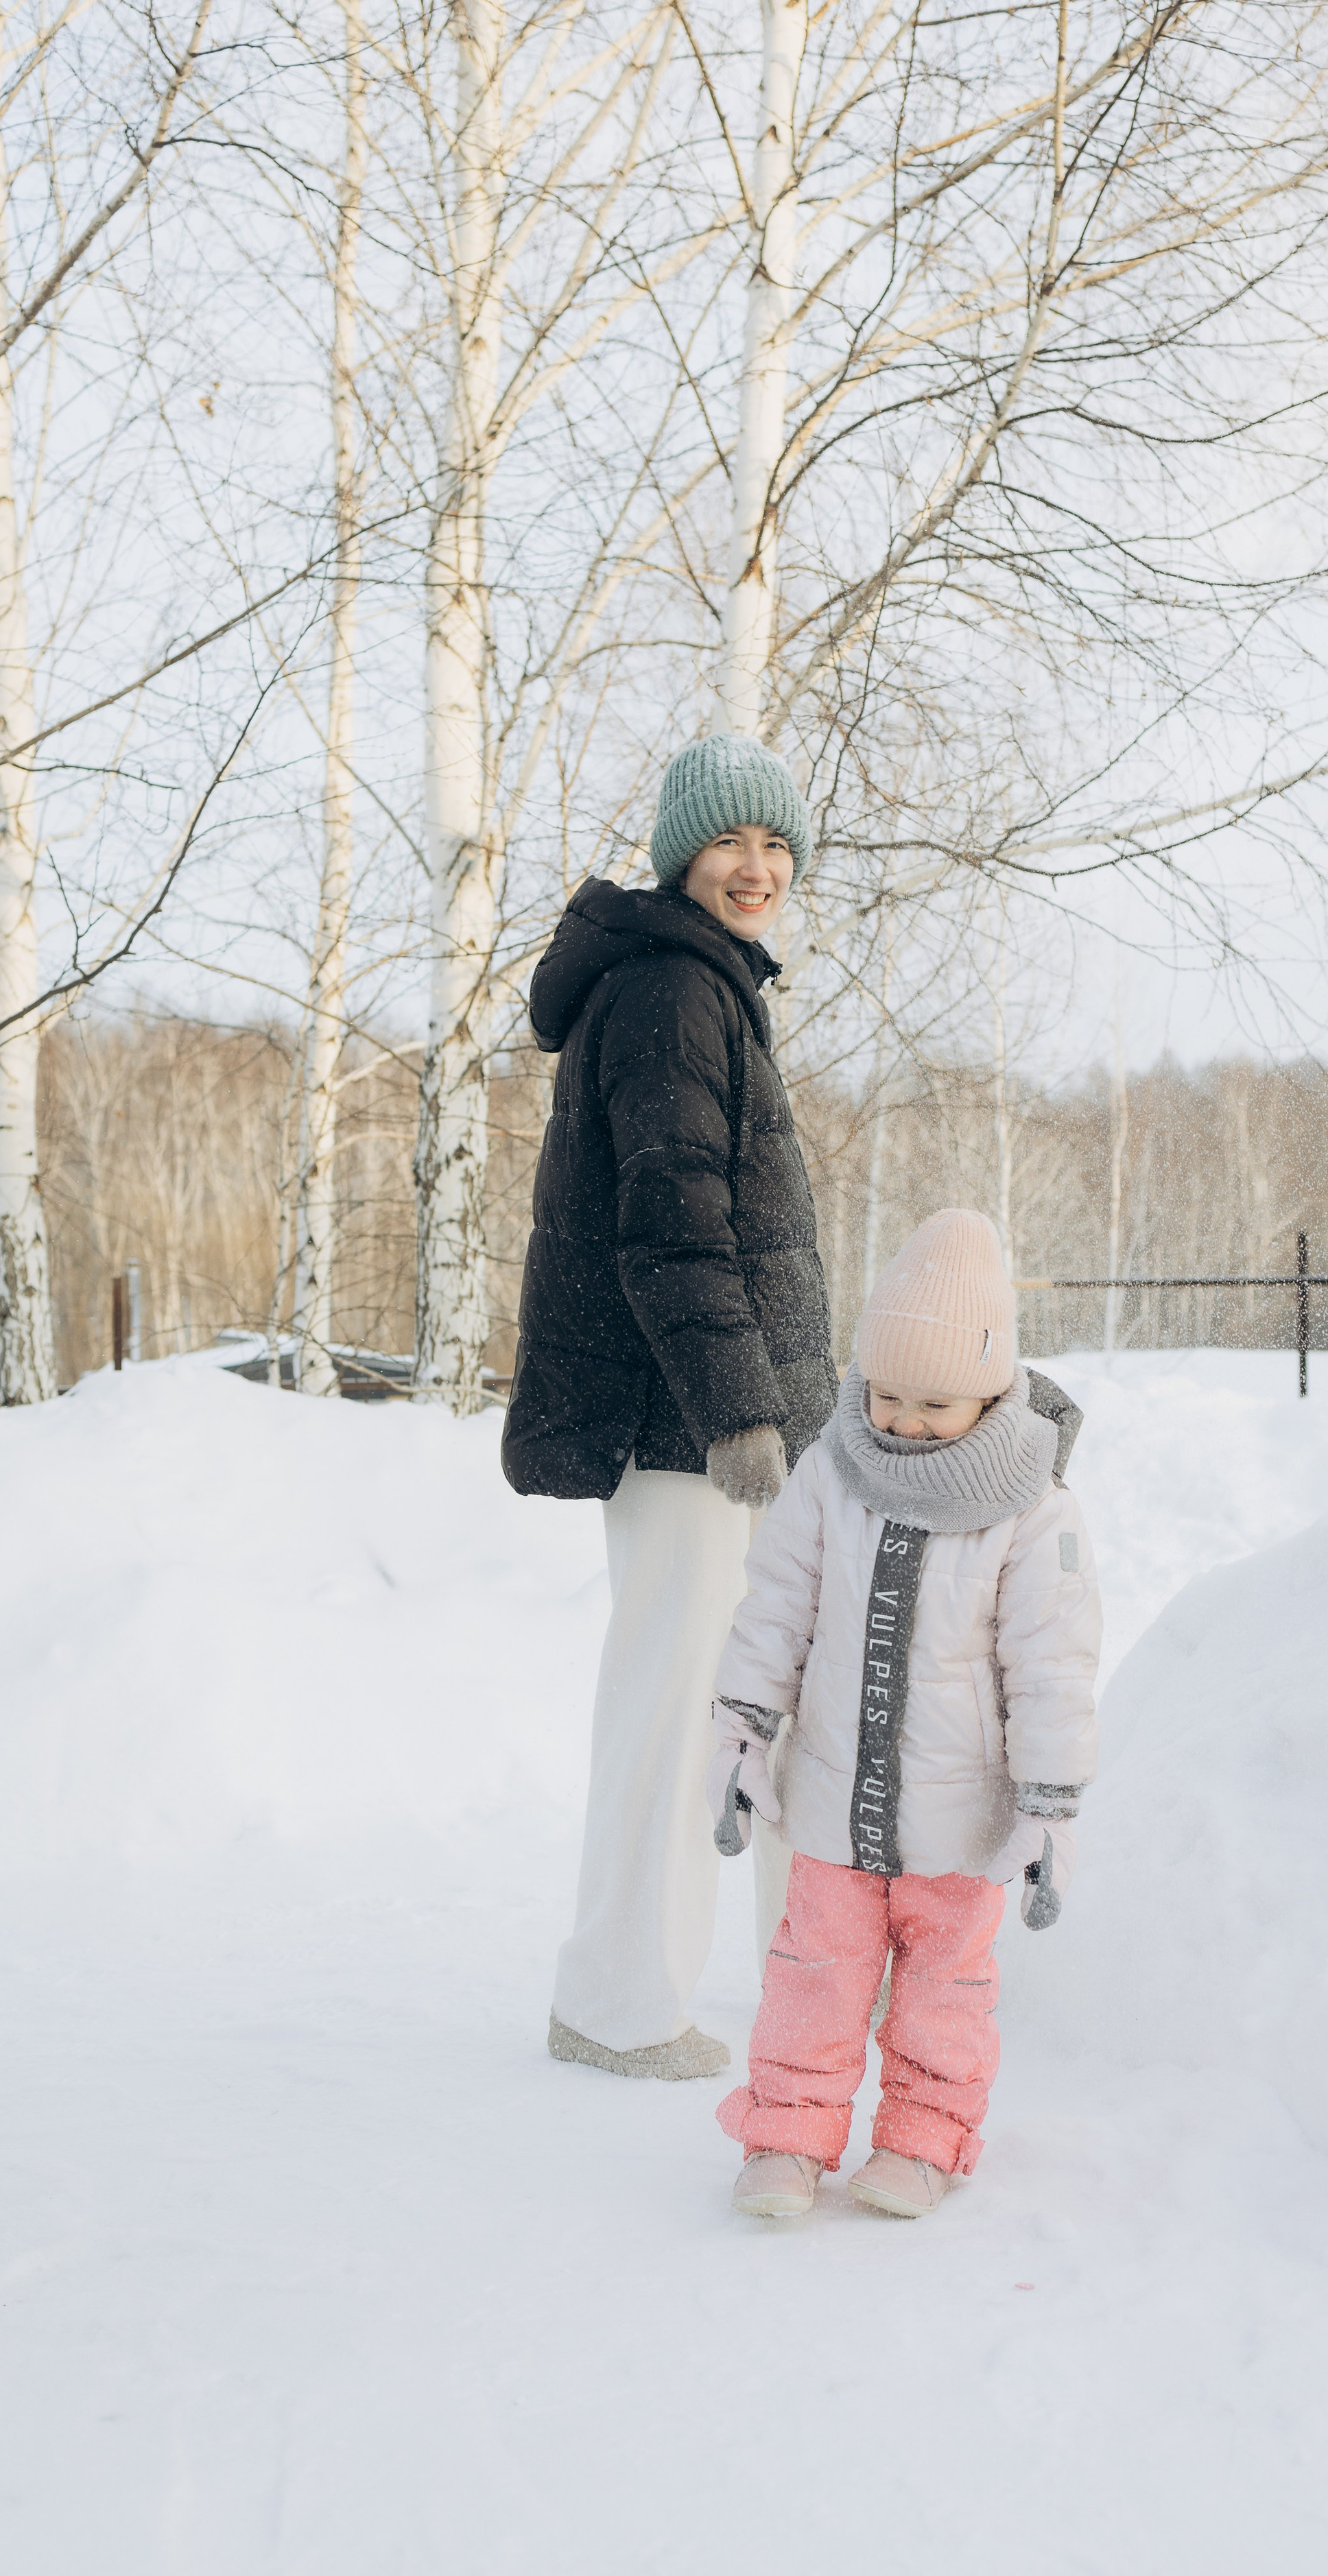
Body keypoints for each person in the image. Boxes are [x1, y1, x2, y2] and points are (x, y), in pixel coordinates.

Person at [503, 732, 838, 2080]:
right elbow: (670, 1220)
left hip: (720, 1418)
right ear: (680, 855)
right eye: (729, 842)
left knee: (742, 1698)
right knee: (683, 1701)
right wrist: (734, 1412)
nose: (755, 867)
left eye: (775, 845)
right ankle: (616, 2003)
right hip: (685, 1422)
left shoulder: (704, 984)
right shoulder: (667, 991)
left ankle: (796, 1977)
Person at [705, 1207, 1101, 2215]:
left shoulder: (1032, 1508)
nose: (903, 1421)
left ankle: (926, 2138)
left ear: (989, 1388)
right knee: (813, 1977)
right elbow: (777, 1603)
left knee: (945, 1993)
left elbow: (1051, 1660)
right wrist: (744, 1726)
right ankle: (787, 2138)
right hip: (837, 1803)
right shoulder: (831, 1473)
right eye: (885, 1394)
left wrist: (1048, 1801)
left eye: (933, 1401)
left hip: (964, 1824)